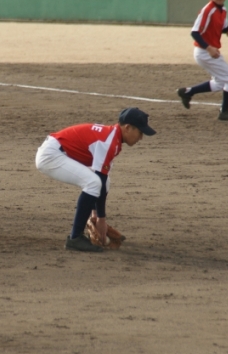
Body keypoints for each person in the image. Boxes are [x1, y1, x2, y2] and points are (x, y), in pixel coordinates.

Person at [35, 107, 156, 253]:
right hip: (51, 156)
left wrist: (96, 215)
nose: (141, 138)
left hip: (59, 152)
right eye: (140, 132)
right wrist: (101, 219)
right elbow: (99, 180)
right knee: (93, 183)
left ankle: (86, 227)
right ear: (128, 128)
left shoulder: (113, 138)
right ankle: (75, 238)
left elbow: (103, 180)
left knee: (101, 182)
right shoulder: (109, 142)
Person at [176, 0, 228, 121]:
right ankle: (224, 111)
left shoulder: (223, 10)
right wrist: (208, 48)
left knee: (220, 82)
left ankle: (187, 92)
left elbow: (223, 29)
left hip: (209, 52)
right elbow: (194, 32)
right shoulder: (208, 10)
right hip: (204, 52)